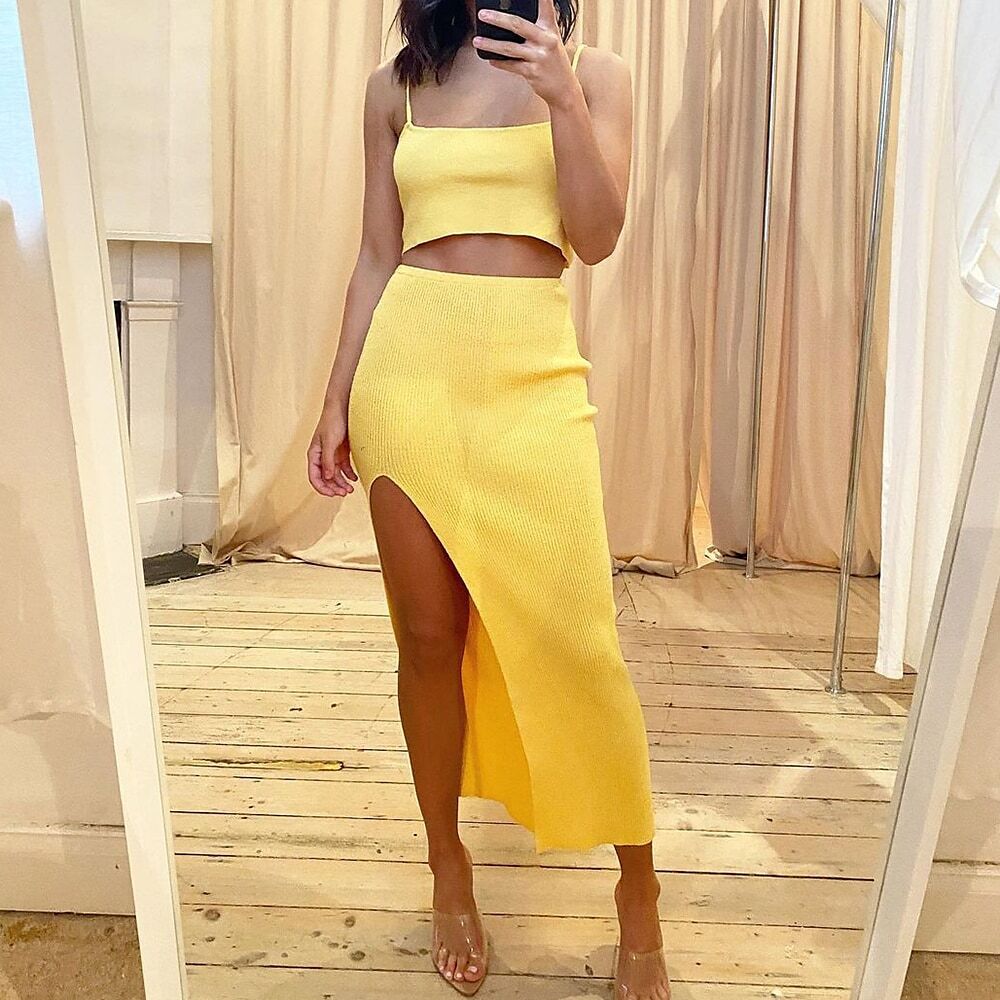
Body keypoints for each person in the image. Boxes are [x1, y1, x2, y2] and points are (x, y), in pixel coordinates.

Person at [308, 2, 670, 997]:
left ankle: (638, 889)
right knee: (428, 641)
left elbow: (596, 236)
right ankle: (448, 867)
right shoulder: (394, 88)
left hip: (530, 372)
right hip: (408, 373)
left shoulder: (596, 73)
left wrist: (562, 97)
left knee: (578, 642)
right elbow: (376, 254)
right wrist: (335, 398)